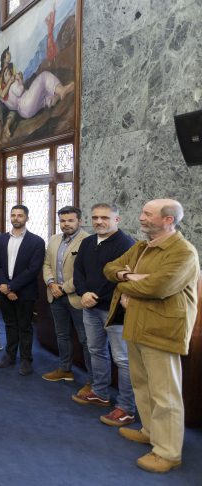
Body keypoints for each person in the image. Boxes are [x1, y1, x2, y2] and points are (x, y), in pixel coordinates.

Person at [104, 199, 198, 473]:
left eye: (148, 214)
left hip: (163, 330)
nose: (142, 217)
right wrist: (129, 275)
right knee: (143, 386)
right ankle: (149, 432)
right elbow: (110, 268)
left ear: (168, 220)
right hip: (136, 326)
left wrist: (130, 284)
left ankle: (168, 453)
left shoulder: (183, 252)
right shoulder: (141, 247)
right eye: (143, 212)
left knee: (165, 394)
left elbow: (159, 286)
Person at [72, 203, 136, 425]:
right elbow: (78, 270)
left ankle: (126, 407)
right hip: (90, 308)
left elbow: (123, 279)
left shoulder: (128, 244)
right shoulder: (88, 242)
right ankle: (100, 393)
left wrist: (94, 295)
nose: (99, 221)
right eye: (95, 217)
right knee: (96, 350)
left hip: (114, 310)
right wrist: (83, 292)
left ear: (117, 220)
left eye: (105, 218)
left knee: (122, 359)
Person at [0, 205, 45, 376]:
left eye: (20, 215)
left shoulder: (37, 241)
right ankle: (10, 355)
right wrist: (5, 287)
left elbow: (33, 269)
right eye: (13, 215)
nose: (16, 218)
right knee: (9, 324)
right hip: (3, 290)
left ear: (26, 218)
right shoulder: (0, 240)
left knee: (25, 326)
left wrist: (12, 287)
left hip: (25, 292)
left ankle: (26, 360)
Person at [41, 206, 92, 385]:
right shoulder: (54, 239)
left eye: (70, 220)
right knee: (62, 335)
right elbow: (46, 264)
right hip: (54, 295)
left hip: (77, 297)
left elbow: (85, 271)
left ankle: (92, 381)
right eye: (63, 221)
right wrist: (51, 283)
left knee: (86, 340)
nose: (66, 224)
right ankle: (65, 369)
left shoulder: (88, 240)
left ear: (80, 221)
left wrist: (64, 288)